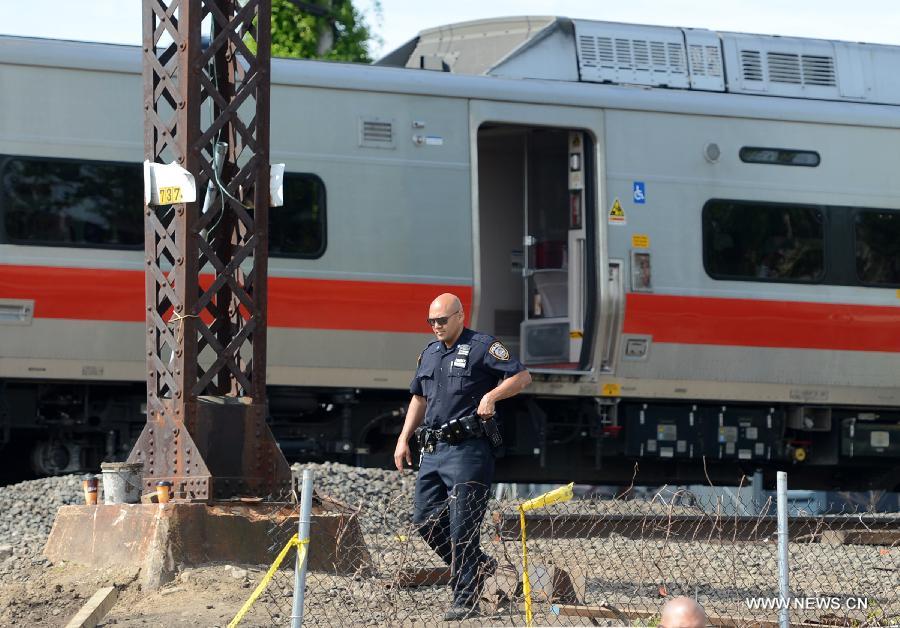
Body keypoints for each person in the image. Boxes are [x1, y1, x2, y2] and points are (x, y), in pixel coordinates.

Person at [394, 293, 532, 621]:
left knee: (462, 526)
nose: (437, 326)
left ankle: (465, 596)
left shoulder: (483, 346)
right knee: (425, 522)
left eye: (442, 320)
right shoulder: (429, 353)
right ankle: (480, 565)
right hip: (434, 449)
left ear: (460, 316)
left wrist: (491, 395)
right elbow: (418, 398)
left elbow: (522, 376)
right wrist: (403, 439)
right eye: (432, 321)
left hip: (468, 450)